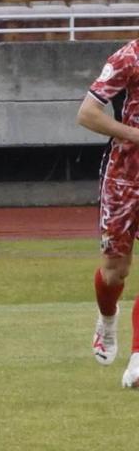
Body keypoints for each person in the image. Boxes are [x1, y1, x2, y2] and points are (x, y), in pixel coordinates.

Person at [77, 41, 139, 383]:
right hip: (123, 178)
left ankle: (137, 359)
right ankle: (108, 318)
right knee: (116, 271)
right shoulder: (129, 57)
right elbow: (87, 114)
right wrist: (134, 135)